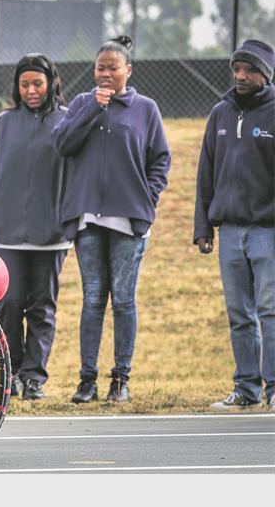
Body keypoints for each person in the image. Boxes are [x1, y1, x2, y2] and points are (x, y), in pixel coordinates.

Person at [51, 35, 171, 404]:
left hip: (128, 222)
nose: (105, 73)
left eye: (113, 67)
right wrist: (92, 110)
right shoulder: (83, 104)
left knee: (123, 301)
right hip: (88, 220)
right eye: (100, 67)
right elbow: (62, 144)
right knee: (91, 301)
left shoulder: (146, 109)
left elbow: (160, 160)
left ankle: (121, 379)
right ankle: (87, 380)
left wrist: (146, 200)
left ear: (127, 71)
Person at [0, 53, 70, 401]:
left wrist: (66, 218)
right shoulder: (4, 122)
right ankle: (11, 373)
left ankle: (34, 377)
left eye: (38, 84)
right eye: (25, 84)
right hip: (6, 234)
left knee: (42, 307)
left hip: (52, 236)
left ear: (51, 84)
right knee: (10, 303)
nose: (31, 90)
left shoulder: (67, 120)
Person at [193, 39, 275, 411]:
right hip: (229, 232)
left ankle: (273, 388)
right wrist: (203, 228)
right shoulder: (220, 114)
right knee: (239, 313)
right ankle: (245, 389)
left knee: (270, 310)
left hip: (267, 231)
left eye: (250, 70)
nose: (240, 76)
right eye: (237, 69)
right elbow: (205, 173)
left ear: (266, 75)